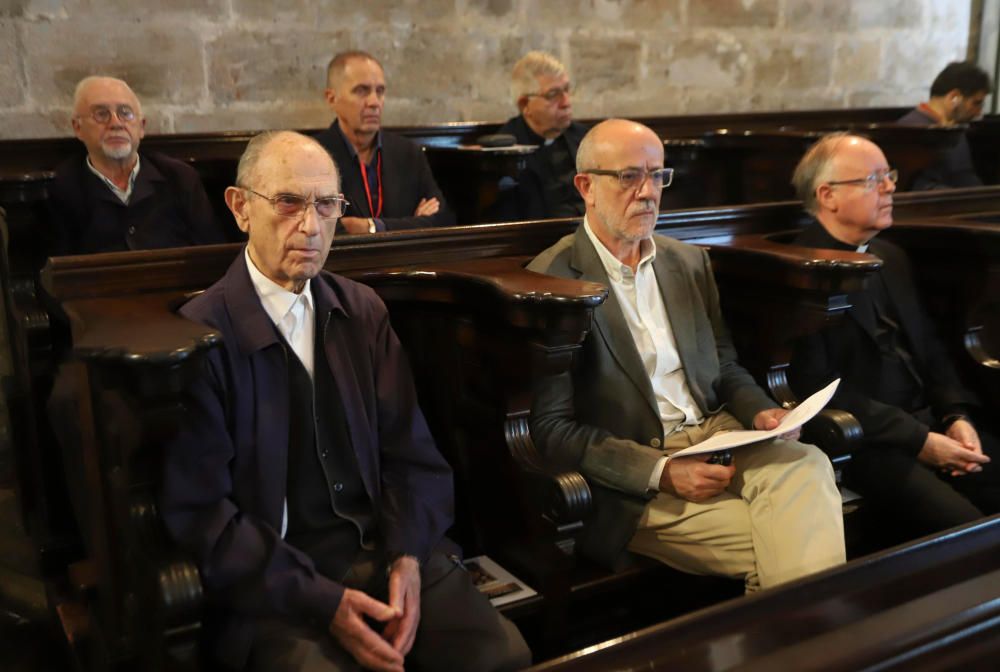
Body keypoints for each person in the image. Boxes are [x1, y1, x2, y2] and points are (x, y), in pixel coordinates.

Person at [160, 131, 529, 672]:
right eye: (288, 202)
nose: (310, 226)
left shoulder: (361, 311)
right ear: (241, 208)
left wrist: (406, 557)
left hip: (387, 552)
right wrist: (323, 602)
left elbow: (413, 456)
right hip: (277, 586)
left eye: (327, 205)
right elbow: (203, 516)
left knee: (503, 656)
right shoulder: (203, 335)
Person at [527, 119, 846, 592]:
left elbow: (724, 363)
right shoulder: (551, 280)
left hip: (718, 435)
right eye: (630, 176)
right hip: (634, 470)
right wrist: (660, 473)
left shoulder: (687, 262)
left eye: (658, 175)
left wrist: (759, 410)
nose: (648, 191)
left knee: (809, 463)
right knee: (792, 547)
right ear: (586, 186)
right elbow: (550, 429)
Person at [789, 132, 1000, 538]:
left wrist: (956, 415)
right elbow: (817, 388)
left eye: (889, 176)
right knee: (970, 534)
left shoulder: (890, 255)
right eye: (872, 180)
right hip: (868, 441)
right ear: (828, 195)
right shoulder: (801, 274)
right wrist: (921, 440)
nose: (889, 188)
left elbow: (931, 349)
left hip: (931, 423)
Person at [48, 76, 226, 254]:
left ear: (141, 127)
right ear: (77, 128)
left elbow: (213, 257)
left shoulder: (180, 178)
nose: (116, 123)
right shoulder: (61, 188)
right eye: (101, 114)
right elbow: (57, 273)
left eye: (125, 113)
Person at [315, 51, 455, 233]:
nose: (374, 102)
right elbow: (326, 227)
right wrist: (413, 223)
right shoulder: (316, 156)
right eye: (361, 91)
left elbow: (442, 220)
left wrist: (370, 226)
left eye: (380, 91)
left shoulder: (407, 153)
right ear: (331, 98)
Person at [495, 51, 588, 220]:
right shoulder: (507, 154)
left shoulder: (586, 139)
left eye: (567, 90)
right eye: (553, 94)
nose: (566, 102)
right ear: (525, 104)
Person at [898, 61, 992, 189]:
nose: (979, 112)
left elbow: (965, 177)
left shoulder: (954, 126)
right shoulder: (910, 129)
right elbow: (919, 186)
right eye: (976, 103)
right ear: (954, 97)